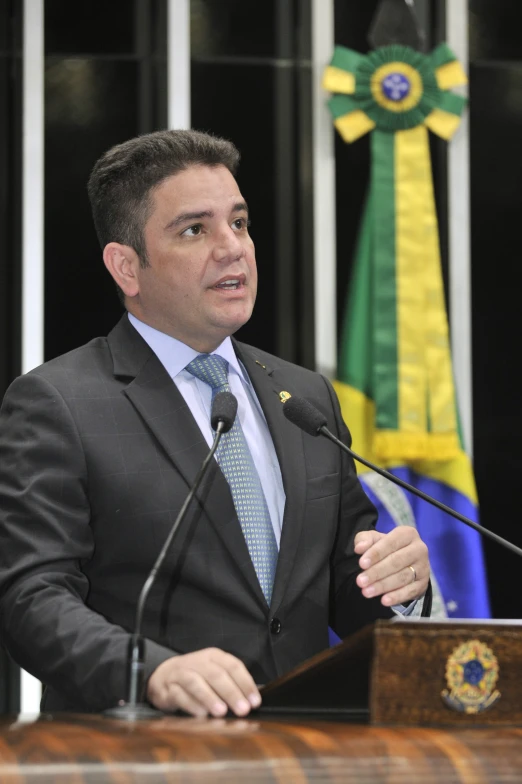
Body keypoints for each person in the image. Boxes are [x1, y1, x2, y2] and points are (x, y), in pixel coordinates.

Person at [0, 129, 430, 718]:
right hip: (143, 753)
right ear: (127, 266)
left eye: (240, 222)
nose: (234, 248)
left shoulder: (303, 397)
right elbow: (30, 597)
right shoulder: (59, 403)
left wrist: (401, 586)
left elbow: (344, 589)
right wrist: (150, 673)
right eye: (195, 230)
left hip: (303, 748)